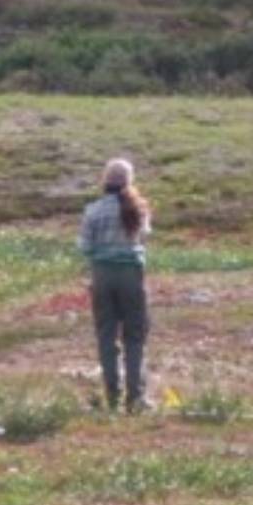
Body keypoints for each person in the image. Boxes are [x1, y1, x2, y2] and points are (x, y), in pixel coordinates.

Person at [79, 157, 151, 413]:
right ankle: (136, 398)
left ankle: (112, 397)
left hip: (103, 276)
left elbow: (85, 247)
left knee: (107, 335)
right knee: (135, 335)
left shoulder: (93, 211)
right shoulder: (139, 209)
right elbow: (144, 237)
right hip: (132, 275)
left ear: (104, 181)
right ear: (129, 182)